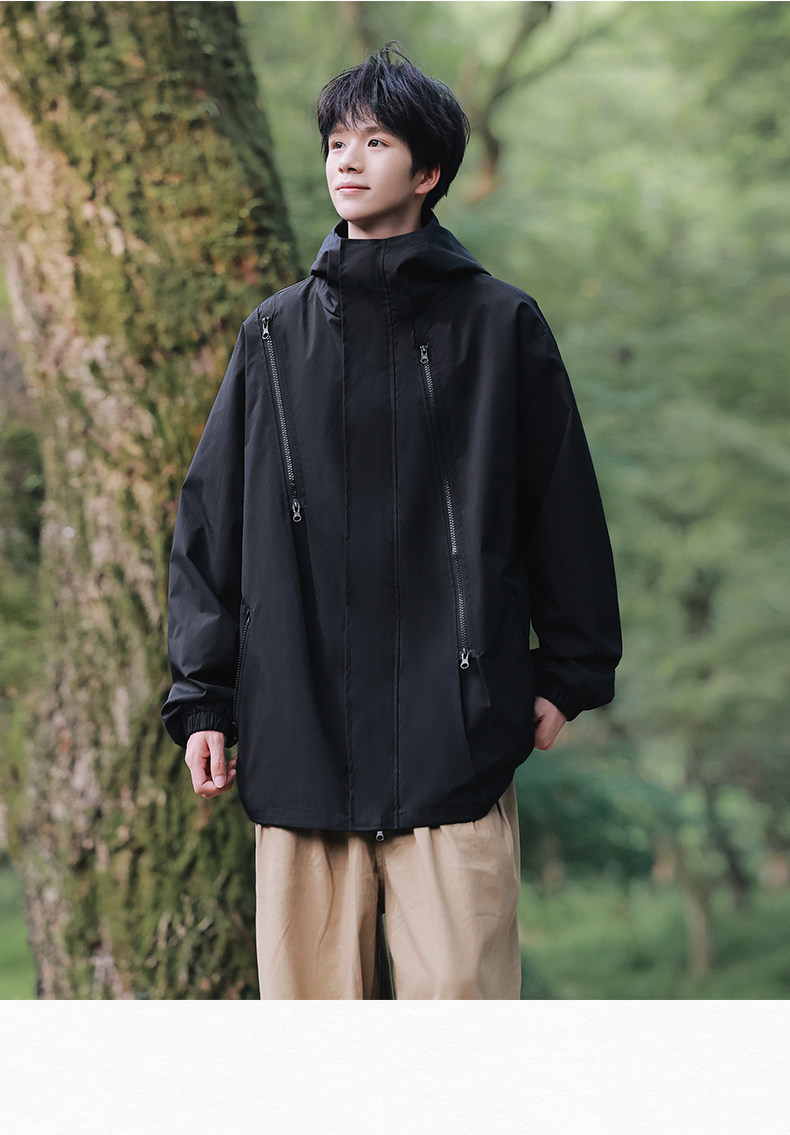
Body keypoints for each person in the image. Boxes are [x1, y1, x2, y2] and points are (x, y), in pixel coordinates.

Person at [161, 43, 622, 999]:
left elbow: (562, 507)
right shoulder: (273, 335)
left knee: (459, 1040)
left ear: (428, 172)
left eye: (375, 141)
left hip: (457, 750)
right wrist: (202, 696)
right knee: (317, 1054)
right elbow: (211, 524)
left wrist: (571, 672)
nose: (348, 158)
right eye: (337, 141)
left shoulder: (502, 329)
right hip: (298, 743)